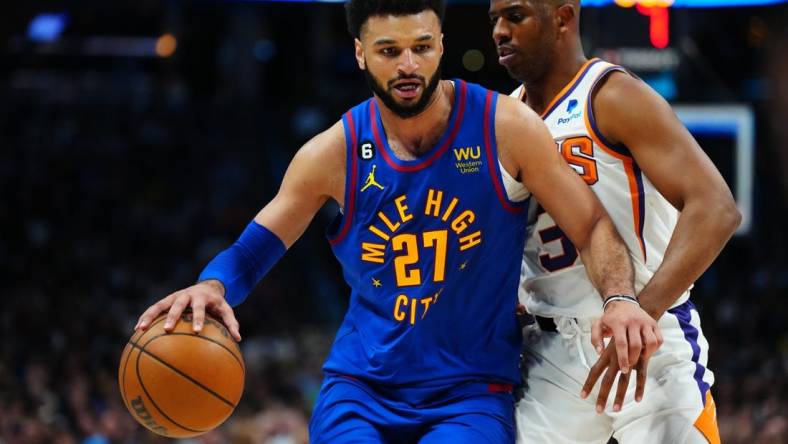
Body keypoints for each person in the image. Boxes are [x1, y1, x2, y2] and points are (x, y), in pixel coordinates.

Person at [135, 1, 659, 442]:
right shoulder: (333, 153)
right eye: (389, 51)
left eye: (422, 47)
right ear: (361, 53)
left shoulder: (504, 126)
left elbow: (591, 226)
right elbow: (254, 251)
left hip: (471, 393)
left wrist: (620, 298)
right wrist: (213, 285)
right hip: (360, 389)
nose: (408, 64)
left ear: (442, 44)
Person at [488, 0, 742, 443]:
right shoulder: (506, 120)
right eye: (494, 20)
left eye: (515, 16)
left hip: (649, 337)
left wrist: (642, 311)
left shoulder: (610, 94)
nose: (499, 32)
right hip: (551, 353)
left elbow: (716, 207)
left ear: (563, 18)